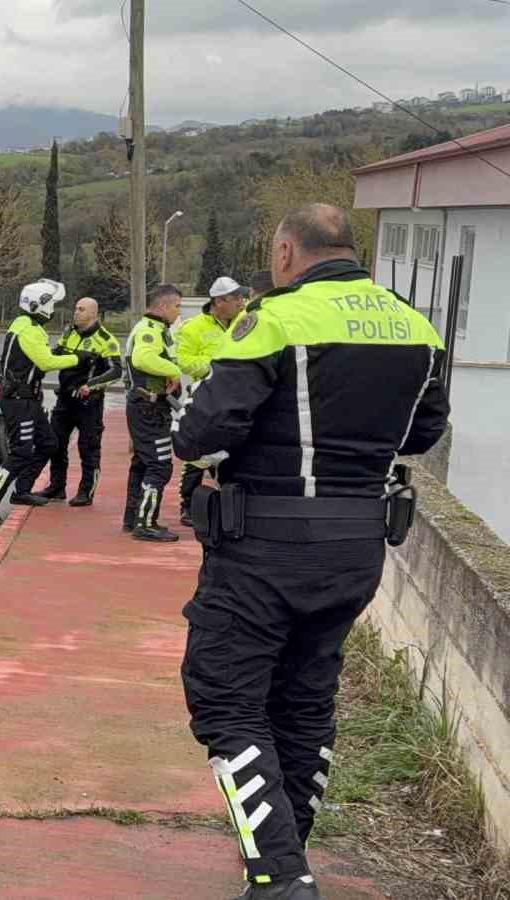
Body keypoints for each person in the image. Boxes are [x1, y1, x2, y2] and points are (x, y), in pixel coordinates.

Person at [175, 203, 448, 900]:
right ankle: (284, 855)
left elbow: (201, 433)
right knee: (304, 699)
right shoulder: (415, 326)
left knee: (228, 702)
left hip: (263, 545)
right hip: (358, 547)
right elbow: (422, 434)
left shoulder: (276, 319)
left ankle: (279, 876)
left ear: (288, 252)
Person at [0, 279, 91, 527]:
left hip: (27, 399)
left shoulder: (22, 323)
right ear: (40, 305)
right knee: (21, 451)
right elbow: (45, 362)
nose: (53, 310)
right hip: (20, 401)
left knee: (49, 443)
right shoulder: (30, 329)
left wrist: (61, 353)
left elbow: (38, 356)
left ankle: (22, 490)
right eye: (51, 304)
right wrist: (77, 359)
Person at [174, 276, 250, 526]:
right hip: (205, 394)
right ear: (218, 302)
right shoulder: (192, 327)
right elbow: (184, 361)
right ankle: (188, 505)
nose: (242, 301)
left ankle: (230, 499)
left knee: (234, 449)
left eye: (241, 297)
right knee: (198, 452)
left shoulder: (246, 320)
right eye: (235, 298)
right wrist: (217, 368)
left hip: (238, 395)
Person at [39, 297, 122, 507]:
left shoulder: (106, 339)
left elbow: (116, 371)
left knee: (89, 448)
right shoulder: (69, 333)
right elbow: (55, 355)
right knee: (55, 444)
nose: (76, 312)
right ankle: (57, 487)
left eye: (81, 309)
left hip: (89, 403)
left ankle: (86, 492)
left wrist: (91, 385)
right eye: (75, 308)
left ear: (93, 314)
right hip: (64, 400)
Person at [123, 283, 185, 542]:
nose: (178, 312)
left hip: (150, 407)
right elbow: (143, 359)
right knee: (159, 466)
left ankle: (133, 517)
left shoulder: (160, 329)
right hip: (148, 408)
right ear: (163, 306)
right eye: (177, 307)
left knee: (142, 462)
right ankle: (146, 522)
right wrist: (173, 371)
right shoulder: (149, 330)